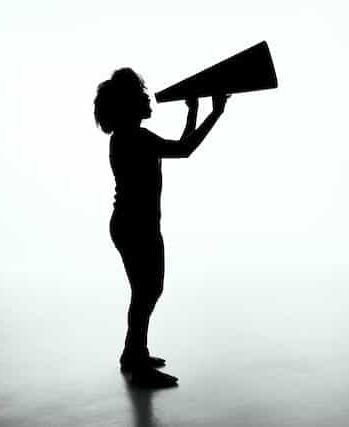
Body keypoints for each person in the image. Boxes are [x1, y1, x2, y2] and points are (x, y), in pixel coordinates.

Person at [94, 68, 227, 387]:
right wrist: (215, 112)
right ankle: (137, 363)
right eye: (141, 96)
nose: (147, 98)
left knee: (144, 292)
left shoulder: (126, 137)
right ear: (130, 106)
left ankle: (133, 353)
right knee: (147, 292)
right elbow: (185, 149)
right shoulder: (136, 138)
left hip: (129, 225)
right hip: (137, 227)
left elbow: (181, 146)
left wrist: (195, 112)